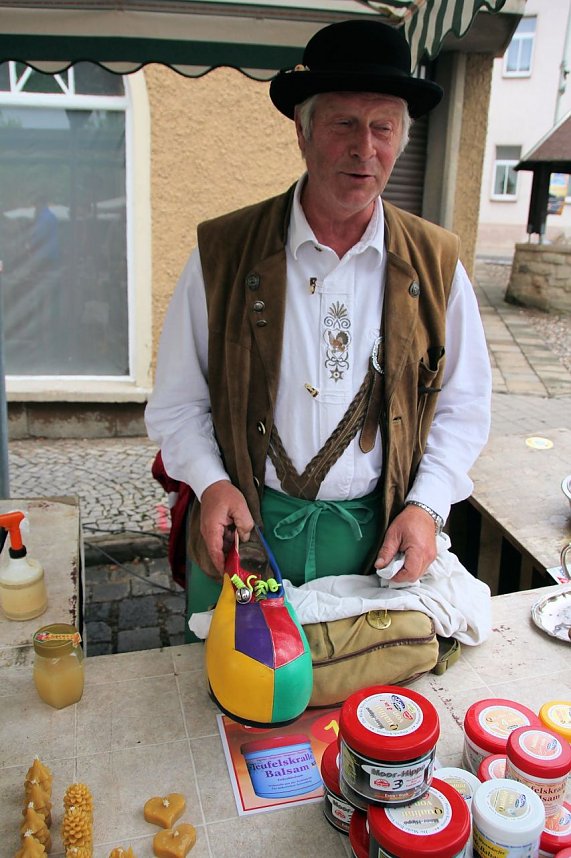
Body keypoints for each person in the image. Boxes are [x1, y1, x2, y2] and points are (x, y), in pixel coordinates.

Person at [145, 19, 492, 628]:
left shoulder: (436, 264)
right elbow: (178, 403)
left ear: (400, 140)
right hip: (244, 533)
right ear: (302, 134)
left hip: (374, 546)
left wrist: (428, 508)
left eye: (382, 127)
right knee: (238, 707)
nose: (365, 148)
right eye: (343, 124)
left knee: (361, 710)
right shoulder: (223, 254)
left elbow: (464, 407)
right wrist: (209, 482)